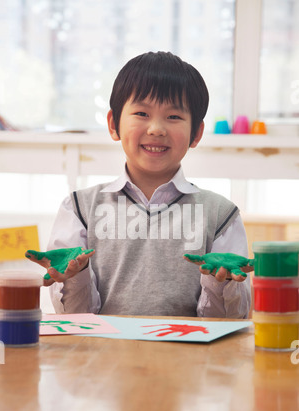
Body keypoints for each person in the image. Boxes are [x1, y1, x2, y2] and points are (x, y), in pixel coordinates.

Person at [30, 51, 252, 317]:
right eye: (141, 113)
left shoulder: (221, 215)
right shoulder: (79, 208)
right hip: (102, 355)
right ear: (114, 125)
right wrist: (75, 275)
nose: (156, 128)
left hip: (191, 357)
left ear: (196, 133)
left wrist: (221, 283)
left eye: (173, 117)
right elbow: (76, 318)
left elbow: (228, 321)